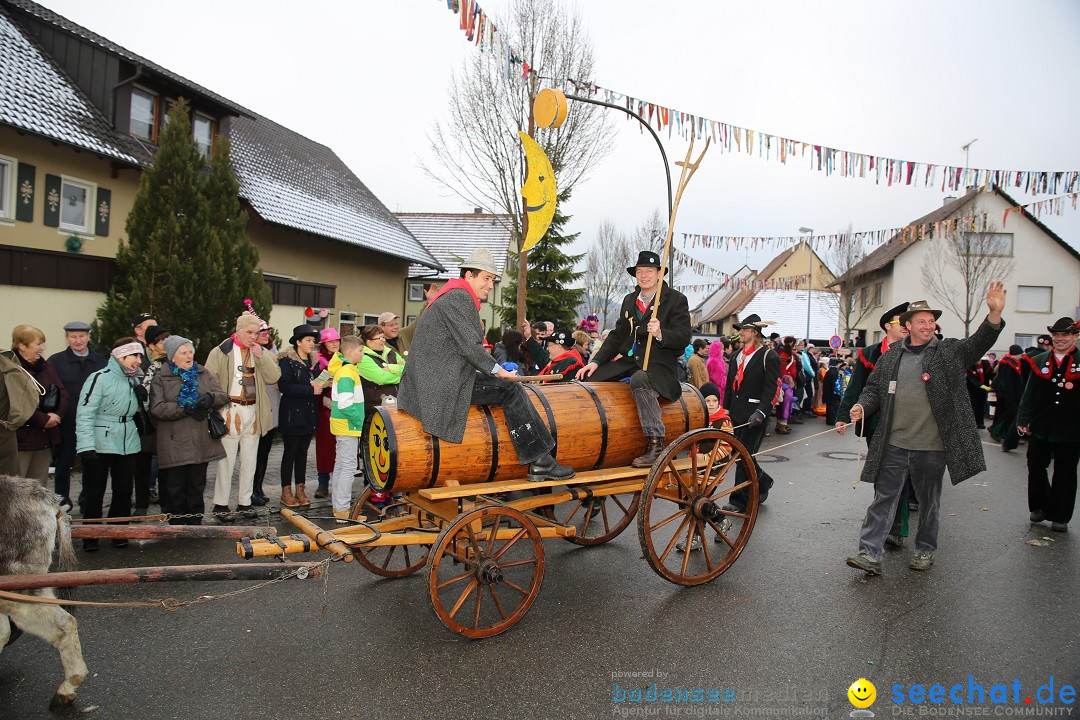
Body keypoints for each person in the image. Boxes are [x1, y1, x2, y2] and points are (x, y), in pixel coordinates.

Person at [845, 285, 1006, 575]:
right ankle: (869, 553)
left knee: (929, 502)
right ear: (907, 326)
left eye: (931, 321)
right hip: (893, 442)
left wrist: (993, 314)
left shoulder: (948, 352)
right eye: (922, 321)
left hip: (932, 447)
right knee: (884, 499)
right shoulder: (891, 356)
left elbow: (978, 343)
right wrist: (862, 407)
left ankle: (924, 550)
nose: (928, 326)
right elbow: (873, 390)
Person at [399, 247, 574, 484]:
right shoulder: (459, 297)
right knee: (511, 390)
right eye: (486, 278)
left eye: (493, 280)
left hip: (437, 379)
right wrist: (499, 371)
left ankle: (540, 460)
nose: (490, 285)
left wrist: (493, 370)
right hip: (442, 384)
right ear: (469, 276)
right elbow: (470, 347)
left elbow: (462, 348)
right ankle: (541, 461)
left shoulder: (452, 295)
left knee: (505, 387)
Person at [576, 250, 693, 468]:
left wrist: (660, 334)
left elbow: (684, 337)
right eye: (640, 271)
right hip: (630, 362)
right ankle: (601, 437)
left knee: (641, 379)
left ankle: (655, 442)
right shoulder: (630, 301)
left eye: (649, 271)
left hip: (660, 366)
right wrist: (595, 361)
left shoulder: (676, 300)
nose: (644, 275)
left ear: (659, 273)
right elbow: (618, 336)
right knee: (589, 377)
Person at [837, 302, 910, 547]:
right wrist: (843, 415)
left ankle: (897, 528)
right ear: (888, 326)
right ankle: (885, 522)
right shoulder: (869, 353)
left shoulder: (914, 351)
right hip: (876, 422)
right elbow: (856, 386)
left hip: (905, 423)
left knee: (900, 473)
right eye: (902, 322)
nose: (907, 327)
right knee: (881, 473)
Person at [205, 311, 282, 522]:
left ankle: (245, 502)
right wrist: (219, 407)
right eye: (249, 332)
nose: (253, 337)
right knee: (226, 460)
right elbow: (209, 380)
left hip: (254, 410)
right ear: (238, 331)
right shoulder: (221, 352)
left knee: (250, 459)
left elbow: (274, 377)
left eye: (256, 333)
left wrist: (262, 356)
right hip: (230, 409)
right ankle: (221, 504)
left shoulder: (259, 352)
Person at [76, 337, 146, 550]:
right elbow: (85, 412)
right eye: (134, 356)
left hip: (127, 439)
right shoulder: (100, 378)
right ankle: (90, 535)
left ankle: (119, 532)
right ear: (120, 356)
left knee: (124, 490)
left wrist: (145, 398)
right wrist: (85, 445)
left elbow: (138, 410)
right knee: (95, 490)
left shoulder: (135, 379)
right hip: (99, 440)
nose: (138, 360)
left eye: (140, 356)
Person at [149, 336, 228, 524]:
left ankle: (195, 525)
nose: (189, 356)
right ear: (172, 356)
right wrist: (184, 408)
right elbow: (157, 408)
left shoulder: (202, 373)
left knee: (197, 485)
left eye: (190, 352)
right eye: (183, 353)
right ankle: (176, 526)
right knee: (175, 487)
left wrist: (210, 398)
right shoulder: (161, 377)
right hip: (174, 442)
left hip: (200, 441)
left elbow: (222, 396)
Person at [1016, 317, 1079, 533]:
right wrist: (1023, 419)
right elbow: (1029, 393)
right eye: (1057, 335)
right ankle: (1040, 507)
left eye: (1065, 335)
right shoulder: (1040, 360)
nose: (1060, 339)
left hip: (1072, 427)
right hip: (1041, 424)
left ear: (1075, 337)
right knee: (1035, 465)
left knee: (1066, 472)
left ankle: (1060, 516)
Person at [722, 314, 780, 511]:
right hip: (737, 413)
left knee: (743, 456)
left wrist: (761, 413)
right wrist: (726, 409)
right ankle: (763, 481)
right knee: (744, 456)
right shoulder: (736, 356)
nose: (740, 333)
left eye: (744, 330)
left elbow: (771, 389)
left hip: (755, 415)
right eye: (739, 329)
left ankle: (738, 500)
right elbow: (730, 386)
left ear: (755, 333)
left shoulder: (768, 355)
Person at [47, 321, 106, 510]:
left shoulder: (100, 362)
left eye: (81, 336)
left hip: (92, 424)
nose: (78, 340)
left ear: (89, 337)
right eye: (73, 337)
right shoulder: (55, 362)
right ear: (66, 338)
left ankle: (86, 500)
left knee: (91, 466)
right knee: (63, 466)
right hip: (67, 423)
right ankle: (62, 502)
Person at [4, 325, 68, 484]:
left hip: (44, 439)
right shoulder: (11, 371)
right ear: (21, 346)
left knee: (39, 488)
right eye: (38, 344)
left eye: (43, 343)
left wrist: (57, 415)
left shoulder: (47, 367)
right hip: (21, 442)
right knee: (17, 488)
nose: (42, 348)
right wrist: (43, 420)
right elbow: (16, 402)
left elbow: (62, 393)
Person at [356, 324, 406, 507]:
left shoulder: (390, 352)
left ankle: (392, 488)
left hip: (395, 409)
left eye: (383, 337)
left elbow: (408, 369)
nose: (383, 340)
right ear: (368, 342)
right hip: (375, 409)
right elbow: (379, 378)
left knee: (394, 449)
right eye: (379, 338)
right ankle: (376, 491)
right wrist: (396, 370)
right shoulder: (363, 357)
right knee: (376, 449)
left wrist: (390, 369)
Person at [276, 324, 323, 508]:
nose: (312, 344)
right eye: (308, 340)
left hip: (309, 414)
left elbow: (317, 382)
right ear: (298, 342)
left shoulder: (314, 362)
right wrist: (311, 390)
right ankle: (286, 491)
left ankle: (300, 489)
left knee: (302, 453)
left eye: (313, 341)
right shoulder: (286, 361)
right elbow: (285, 387)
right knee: (290, 453)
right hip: (292, 415)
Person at [327, 334, 366, 518]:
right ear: (350, 352)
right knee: (348, 467)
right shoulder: (347, 372)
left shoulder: (346, 370)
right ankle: (343, 509)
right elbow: (345, 403)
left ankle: (338, 506)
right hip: (348, 425)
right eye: (360, 351)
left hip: (343, 425)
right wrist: (360, 421)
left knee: (341, 466)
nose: (362, 355)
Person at [251, 322, 280, 507]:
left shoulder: (273, 351)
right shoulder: (251, 352)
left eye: (268, 331)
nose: (266, 334)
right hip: (256, 409)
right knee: (252, 453)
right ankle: (250, 490)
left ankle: (258, 487)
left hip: (272, 408)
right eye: (262, 331)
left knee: (264, 452)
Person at [313, 328, 341, 499]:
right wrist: (325, 401)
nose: (335, 343)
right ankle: (322, 483)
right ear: (324, 344)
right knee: (325, 449)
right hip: (325, 412)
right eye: (331, 341)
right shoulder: (320, 362)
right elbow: (317, 385)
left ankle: (339, 484)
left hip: (343, 410)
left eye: (337, 340)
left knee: (341, 449)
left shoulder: (345, 360)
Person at [521, 323, 586, 380]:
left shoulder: (570, 364)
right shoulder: (557, 361)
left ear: (558, 347)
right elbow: (541, 355)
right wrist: (528, 336)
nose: (547, 349)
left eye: (549, 345)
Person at [990, 344, 1025, 446]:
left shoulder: (1013, 362)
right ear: (1016, 353)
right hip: (1009, 396)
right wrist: (1009, 397)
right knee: (1010, 414)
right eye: (1020, 354)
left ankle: (1003, 433)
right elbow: (1006, 382)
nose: (1021, 356)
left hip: (1013, 395)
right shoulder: (1007, 363)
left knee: (1009, 414)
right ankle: (996, 430)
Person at [966, 357, 994, 429]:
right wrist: (982, 386)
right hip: (973, 389)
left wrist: (995, 383)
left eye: (978, 360)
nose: (977, 362)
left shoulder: (985, 364)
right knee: (974, 406)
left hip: (983, 390)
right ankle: (973, 423)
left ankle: (980, 423)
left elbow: (990, 374)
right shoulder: (970, 366)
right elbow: (972, 379)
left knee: (982, 406)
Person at [706, 339, 728, 405]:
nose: (723, 351)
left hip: (717, 389)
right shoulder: (715, 361)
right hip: (718, 390)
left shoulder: (716, 360)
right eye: (721, 349)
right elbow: (718, 379)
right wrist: (727, 382)